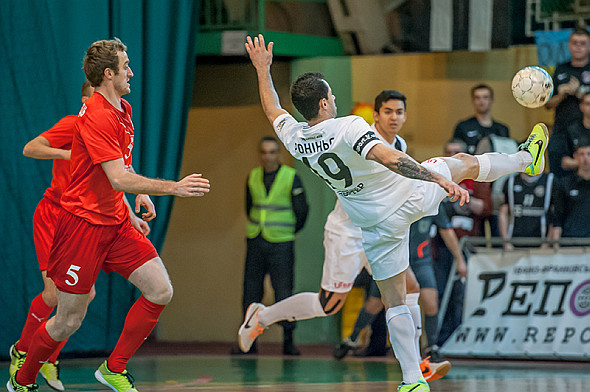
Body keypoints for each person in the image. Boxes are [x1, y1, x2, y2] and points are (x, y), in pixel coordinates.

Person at [240, 34, 547, 392]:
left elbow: (273, 109)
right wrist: (439, 179)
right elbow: (390, 159)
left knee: (395, 297)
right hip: (404, 198)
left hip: (372, 224)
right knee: (462, 163)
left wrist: (262, 68)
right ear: (324, 103)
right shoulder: (350, 126)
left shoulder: (296, 138)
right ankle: (528, 159)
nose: (336, 100)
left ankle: (412, 379)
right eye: (332, 96)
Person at [7, 38, 210, 392]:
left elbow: (121, 168)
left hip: (115, 223)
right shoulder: (97, 115)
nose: (131, 71)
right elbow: (116, 177)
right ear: (108, 74)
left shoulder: (123, 110)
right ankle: (22, 378)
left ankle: (113, 367)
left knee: (161, 290)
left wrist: (137, 198)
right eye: (126, 66)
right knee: (68, 319)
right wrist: (173, 187)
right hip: (81, 227)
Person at [9, 81, 152, 392]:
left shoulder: (109, 127)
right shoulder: (75, 124)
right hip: (55, 215)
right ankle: (22, 352)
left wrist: (129, 213)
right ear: (88, 98)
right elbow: (30, 147)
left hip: (84, 221)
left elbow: (111, 181)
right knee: (53, 297)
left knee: (83, 299)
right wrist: (69, 152)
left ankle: (46, 356)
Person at [334, 205, 464, 376]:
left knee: (423, 298)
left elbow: (447, 230)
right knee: (378, 304)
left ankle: (424, 356)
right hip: (394, 259)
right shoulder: (395, 199)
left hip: (419, 261)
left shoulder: (430, 199)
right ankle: (353, 338)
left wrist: (460, 259)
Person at [235, 136, 308, 355]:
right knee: (250, 292)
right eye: (264, 152)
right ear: (260, 155)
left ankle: (288, 342)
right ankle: (249, 343)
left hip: (282, 243)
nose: (268, 156)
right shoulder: (253, 176)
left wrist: (288, 231)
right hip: (256, 240)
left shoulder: (291, 177)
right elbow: (249, 207)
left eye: (272, 152)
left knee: (284, 292)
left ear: (279, 154)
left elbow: (302, 211)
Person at [546, 28, 590, 178]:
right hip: (562, 128)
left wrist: (579, 93)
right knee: (558, 174)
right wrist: (562, 94)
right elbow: (547, 104)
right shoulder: (560, 69)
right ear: (569, 45)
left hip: (586, 130)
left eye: (582, 43)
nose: (578, 46)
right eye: (575, 43)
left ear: (589, 46)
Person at [548, 139, 590, 246]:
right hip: (569, 241)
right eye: (582, 154)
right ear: (575, 156)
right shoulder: (564, 183)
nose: (586, 158)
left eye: (589, 154)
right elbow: (558, 215)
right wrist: (555, 245)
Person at [498, 171, 554, 250]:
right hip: (514, 241)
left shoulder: (550, 180)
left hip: (540, 242)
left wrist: (547, 243)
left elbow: (555, 216)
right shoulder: (511, 181)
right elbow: (503, 213)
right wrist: (506, 241)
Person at [452, 84, 510, 154]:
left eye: (485, 97)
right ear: (473, 100)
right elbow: (455, 152)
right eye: (477, 98)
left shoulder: (502, 129)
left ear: (492, 100)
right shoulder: (463, 127)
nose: (481, 101)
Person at [554, 92, 590, 175]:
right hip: (575, 179)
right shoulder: (571, 130)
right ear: (581, 106)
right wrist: (585, 162)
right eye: (588, 104)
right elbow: (564, 161)